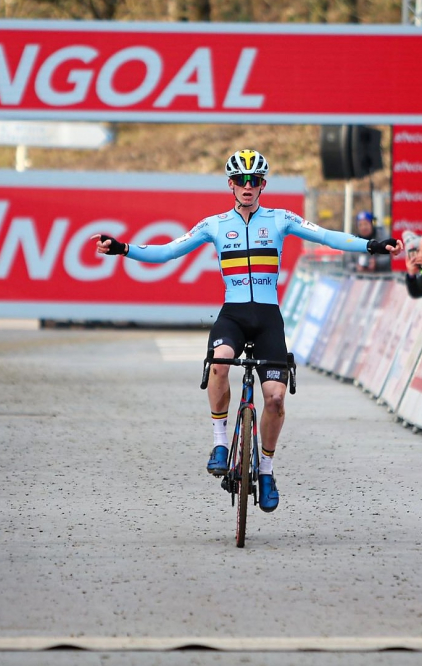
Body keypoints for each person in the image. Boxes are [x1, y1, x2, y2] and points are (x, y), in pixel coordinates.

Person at [94, 149, 401, 512]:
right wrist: (123, 249)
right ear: (231, 185)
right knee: (220, 363)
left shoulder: (280, 219)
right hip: (233, 317)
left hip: (269, 318)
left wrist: (371, 245)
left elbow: (327, 237)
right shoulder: (214, 225)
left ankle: (267, 471)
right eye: (241, 180)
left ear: (263, 185)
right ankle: (220, 442)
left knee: (274, 398)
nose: (247, 186)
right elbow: (167, 252)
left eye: (254, 181)